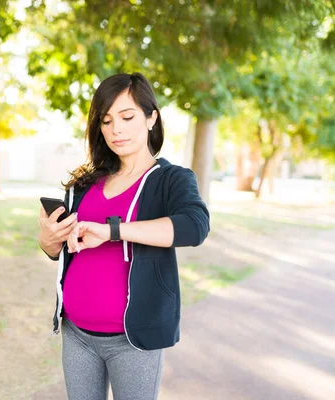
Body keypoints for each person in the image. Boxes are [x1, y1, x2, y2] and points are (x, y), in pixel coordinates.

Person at [38, 72, 210, 400]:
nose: (116, 128)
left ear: (151, 118)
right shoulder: (84, 185)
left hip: (133, 340)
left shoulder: (171, 179)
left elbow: (194, 225)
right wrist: (50, 238)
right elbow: (57, 251)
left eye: (127, 116)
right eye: (106, 120)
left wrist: (113, 232)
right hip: (77, 334)